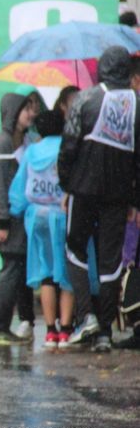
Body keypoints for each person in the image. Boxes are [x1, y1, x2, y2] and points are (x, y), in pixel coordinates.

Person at [58, 46, 140, 352]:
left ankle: (86, 315)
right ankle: (105, 332)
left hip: (83, 189)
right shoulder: (137, 104)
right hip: (119, 196)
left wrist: (66, 185)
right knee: (110, 262)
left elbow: (68, 146)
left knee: (75, 248)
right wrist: (136, 201)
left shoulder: (86, 98)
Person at [8, 110, 74, 348]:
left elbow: (19, 187)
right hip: (63, 215)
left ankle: (50, 330)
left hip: (36, 217)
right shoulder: (67, 149)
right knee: (66, 269)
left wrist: (15, 211)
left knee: (45, 272)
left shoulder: (32, 151)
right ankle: (66, 330)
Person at [0, 88, 41, 344]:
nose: (31, 114)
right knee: (10, 272)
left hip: (21, 221)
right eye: (26, 109)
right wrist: (4, 221)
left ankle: (9, 325)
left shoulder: (24, 141)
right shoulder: (3, 141)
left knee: (16, 272)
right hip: (9, 222)